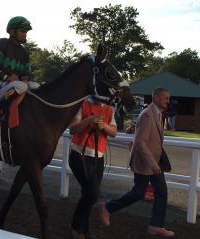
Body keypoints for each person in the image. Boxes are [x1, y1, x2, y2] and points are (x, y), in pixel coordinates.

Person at [99, 88, 174, 237]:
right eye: (166, 98)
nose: (168, 101)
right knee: (138, 193)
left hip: (154, 162)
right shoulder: (147, 115)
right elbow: (140, 142)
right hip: (145, 163)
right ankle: (107, 207)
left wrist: (155, 162)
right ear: (157, 98)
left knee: (161, 191)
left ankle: (156, 226)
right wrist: (152, 163)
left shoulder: (157, 114)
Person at [68, 96, 117, 239]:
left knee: (88, 194)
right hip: (79, 154)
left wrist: (103, 126)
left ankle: (82, 230)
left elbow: (113, 132)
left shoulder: (109, 108)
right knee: (92, 193)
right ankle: (76, 227)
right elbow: (73, 129)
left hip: (98, 157)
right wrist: (89, 120)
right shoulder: (82, 104)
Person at [0, 16, 39, 120]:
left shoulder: (24, 52)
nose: (25, 34)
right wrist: (7, 77)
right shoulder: (0, 44)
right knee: (22, 87)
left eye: (26, 32)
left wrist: (26, 78)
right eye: (22, 31)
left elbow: (26, 73)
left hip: (14, 85)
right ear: (11, 31)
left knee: (37, 86)